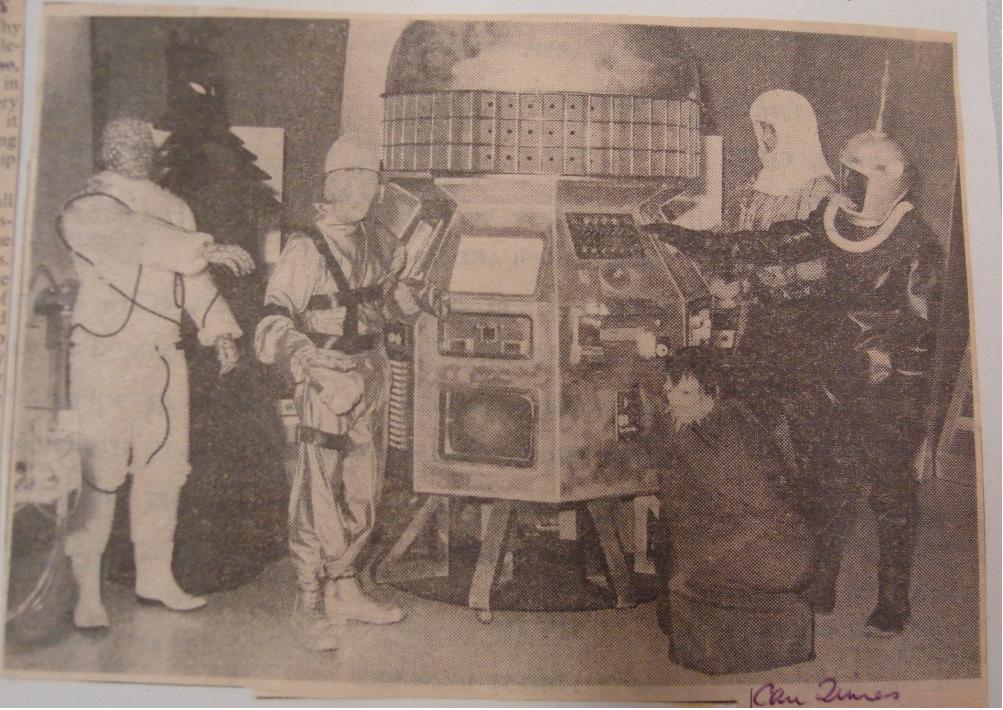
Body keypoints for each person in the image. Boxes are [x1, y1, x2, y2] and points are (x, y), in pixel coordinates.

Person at [59, 117, 255, 629]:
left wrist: (220, 331)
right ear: (107, 151)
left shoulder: (175, 208)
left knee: (165, 470)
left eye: (140, 144)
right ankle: (86, 592)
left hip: (163, 356)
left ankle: (156, 576)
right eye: (123, 143)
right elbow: (137, 237)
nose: (134, 151)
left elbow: (193, 281)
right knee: (100, 473)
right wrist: (204, 248)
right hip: (104, 357)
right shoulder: (87, 207)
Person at [255, 134, 420, 651]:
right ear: (336, 184)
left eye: (374, 180)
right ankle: (308, 597)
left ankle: (345, 587)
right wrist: (308, 362)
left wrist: (420, 301)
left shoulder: (381, 243)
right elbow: (273, 320)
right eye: (360, 180)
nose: (370, 191)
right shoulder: (305, 248)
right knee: (318, 490)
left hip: (372, 372)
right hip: (326, 377)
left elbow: (390, 300)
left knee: (364, 488)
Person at [787, 113, 941, 636]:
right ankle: (822, 579)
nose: (851, 183)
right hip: (836, 378)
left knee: (890, 495)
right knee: (828, 482)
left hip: (891, 389)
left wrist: (882, 356)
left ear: (890, 181)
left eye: (862, 174)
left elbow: (923, 323)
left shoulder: (917, 240)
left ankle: (893, 601)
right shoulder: (831, 221)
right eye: (847, 170)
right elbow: (797, 261)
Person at [725, 89, 836, 231]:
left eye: (771, 130)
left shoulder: (818, 191)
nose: (764, 137)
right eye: (762, 128)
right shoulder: (755, 182)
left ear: (793, 132)